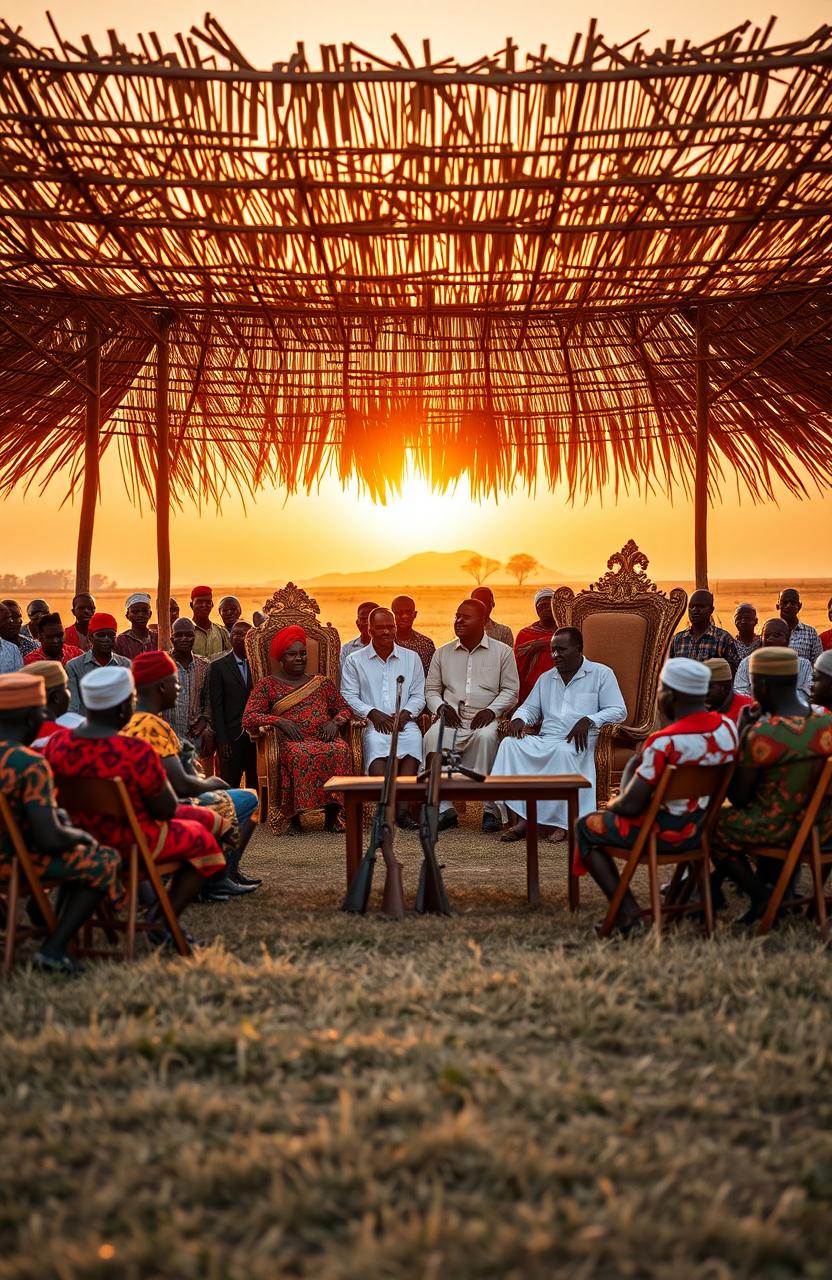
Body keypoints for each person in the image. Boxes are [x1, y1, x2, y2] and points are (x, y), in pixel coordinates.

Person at [44, 666, 227, 943]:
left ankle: (154, 914)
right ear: (121, 710)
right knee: (204, 841)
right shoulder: (134, 752)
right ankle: (161, 920)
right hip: (130, 841)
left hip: (80, 838)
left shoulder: (58, 744)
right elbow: (165, 810)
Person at [574, 658, 739, 934]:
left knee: (586, 826)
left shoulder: (665, 743)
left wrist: (613, 800)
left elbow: (631, 805)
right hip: (701, 831)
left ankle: (627, 912)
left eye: (661, 689)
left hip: (659, 834)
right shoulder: (727, 730)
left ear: (672, 695)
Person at [0, 671, 121, 975]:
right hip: (16, 863)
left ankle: (42, 918)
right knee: (102, 859)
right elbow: (50, 838)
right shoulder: (28, 764)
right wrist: (81, 837)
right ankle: (54, 949)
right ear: (32, 718)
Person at [122, 651, 260, 896]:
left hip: (145, 809)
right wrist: (214, 783)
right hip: (165, 810)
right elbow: (182, 785)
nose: (179, 688)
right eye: (175, 682)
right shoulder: (151, 725)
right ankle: (218, 877)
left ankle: (220, 875)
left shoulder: (130, 721)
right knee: (249, 799)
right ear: (161, 686)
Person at [712, 647, 832, 924]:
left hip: (782, 829)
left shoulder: (765, 734)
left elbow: (739, 798)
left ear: (763, 685)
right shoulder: (826, 723)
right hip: (823, 828)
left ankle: (763, 897)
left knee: (713, 824)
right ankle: (781, 895)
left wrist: (743, 733)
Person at [492, 627, 627, 844]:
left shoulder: (601, 674)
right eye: (553, 650)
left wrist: (590, 719)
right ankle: (524, 819)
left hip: (580, 741)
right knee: (510, 745)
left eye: (561, 649)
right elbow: (530, 708)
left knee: (563, 753)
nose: (555, 655)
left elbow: (619, 710)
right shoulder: (547, 678)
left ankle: (561, 822)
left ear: (579, 649)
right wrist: (519, 718)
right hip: (547, 739)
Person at [242, 625, 353, 835]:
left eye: (302, 654)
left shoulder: (321, 683)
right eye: (292, 655)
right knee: (298, 755)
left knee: (341, 750)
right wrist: (279, 721)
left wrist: (335, 722)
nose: (300, 658)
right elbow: (249, 717)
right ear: (281, 658)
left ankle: (332, 816)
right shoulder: (268, 685)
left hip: (323, 737)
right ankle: (294, 818)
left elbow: (345, 708)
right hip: (290, 742)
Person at [424, 598, 519, 833]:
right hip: (451, 718)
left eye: (465, 617)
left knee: (486, 738)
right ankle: (445, 809)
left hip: (485, 718)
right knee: (432, 738)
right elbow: (432, 690)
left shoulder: (502, 652)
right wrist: (440, 708)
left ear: (484, 622)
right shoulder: (442, 653)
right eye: (457, 616)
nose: (458, 621)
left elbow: (511, 690)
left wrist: (492, 710)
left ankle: (490, 810)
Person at [341, 608, 425, 827]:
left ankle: (403, 812)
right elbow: (348, 695)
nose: (386, 631)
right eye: (380, 628)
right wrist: (372, 713)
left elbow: (418, 694)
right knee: (377, 744)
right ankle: (385, 809)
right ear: (370, 630)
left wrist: (406, 714)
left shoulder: (411, 658)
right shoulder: (354, 660)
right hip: (371, 724)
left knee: (414, 742)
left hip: (404, 723)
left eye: (390, 627)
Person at [209, 621, 257, 788]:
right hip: (231, 737)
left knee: (255, 784)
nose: (241, 638)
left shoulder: (259, 665)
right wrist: (222, 741)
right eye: (237, 634)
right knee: (231, 786)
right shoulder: (218, 667)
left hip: (256, 738)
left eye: (246, 634)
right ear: (230, 638)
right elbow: (217, 707)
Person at [163, 619, 214, 766]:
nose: (184, 639)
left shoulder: (204, 666)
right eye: (179, 635)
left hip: (195, 737)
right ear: (172, 638)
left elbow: (208, 700)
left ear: (194, 637)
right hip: (169, 735)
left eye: (188, 635)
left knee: (195, 777)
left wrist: (204, 721)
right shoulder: (163, 664)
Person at [734, 619, 813, 703]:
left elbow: (808, 690)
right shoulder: (747, 663)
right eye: (766, 636)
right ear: (761, 639)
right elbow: (739, 690)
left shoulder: (804, 665)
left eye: (777, 635)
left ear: (788, 639)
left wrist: (784, 701)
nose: (770, 639)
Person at [66, 613, 132, 714]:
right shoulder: (74, 667)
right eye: (100, 635)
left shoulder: (126, 665)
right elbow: (73, 707)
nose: (106, 639)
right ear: (90, 637)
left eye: (111, 635)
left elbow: (130, 704)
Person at [670, 590, 739, 673]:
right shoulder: (678, 639)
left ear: (711, 610)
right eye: (691, 607)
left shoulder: (723, 639)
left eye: (700, 606)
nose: (695, 610)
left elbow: (736, 672)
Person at [514, 587, 557, 703]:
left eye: (549, 605)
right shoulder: (525, 634)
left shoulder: (567, 631)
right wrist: (535, 646)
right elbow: (518, 667)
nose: (546, 609)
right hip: (531, 690)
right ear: (536, 610)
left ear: (556, 607)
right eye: (541, 606)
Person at [27, 661, 85, 745]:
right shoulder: (78, 728)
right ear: (56, 697)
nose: (69, 693)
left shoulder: (23, 732)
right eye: (66, 688)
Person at [391, 595, 436, 676]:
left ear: (414, 614)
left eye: (408, 612)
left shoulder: (426, 644)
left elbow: (431, 677)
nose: (404, 616)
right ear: (392, 615)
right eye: (399, 613)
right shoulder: (384, 643)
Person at [777, 588, 822, 664]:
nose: (788, 606)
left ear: (799, 606)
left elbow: (818, 664)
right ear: (778, 606)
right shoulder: (769, 631)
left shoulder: (811, 633)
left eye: (793, 603)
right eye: (785, 602)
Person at [704, 657, 753, 725]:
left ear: (724, 688)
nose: (703, 691)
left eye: (708, 686)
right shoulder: (701, 710)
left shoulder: (748, 708)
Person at [190, 587, 230, 660]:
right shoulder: (185, 633)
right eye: (199, 602)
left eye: (208, 602)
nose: (204, 605)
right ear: (191, 605)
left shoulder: (222, 632)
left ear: (212, 605)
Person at [114, 592, 157, 659]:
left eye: (144, 611)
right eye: (135, 611)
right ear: (127, 616)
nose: (140, 615)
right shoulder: (121, 640)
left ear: (150, 614)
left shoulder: (157, 637)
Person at [340, 601, 380, 671]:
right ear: (357, 623)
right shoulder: (347, 649)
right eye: (364, 619)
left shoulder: (390, 648)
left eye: (371, 619)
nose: (368, 623)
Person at [0, 603, 23, 673]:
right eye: (6, 618)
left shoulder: (13, 649)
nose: (11, 621)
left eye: (10, 617)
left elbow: (19, 678)